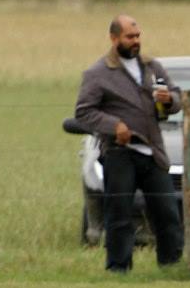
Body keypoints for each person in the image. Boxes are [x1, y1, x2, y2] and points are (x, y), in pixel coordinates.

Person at [74, 14, 183, 272]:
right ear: (114, 39)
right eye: (129, 37)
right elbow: (84, 112)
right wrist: (115, 126)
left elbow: (177, 97)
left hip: (152, 152)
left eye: (138, 36)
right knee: (119, 214)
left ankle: (171, 267)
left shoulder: (151, 66)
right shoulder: (98, 73)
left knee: (167, 212)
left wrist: (170, 100)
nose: (135, 41)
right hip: (119, 153)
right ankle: (119, 268)